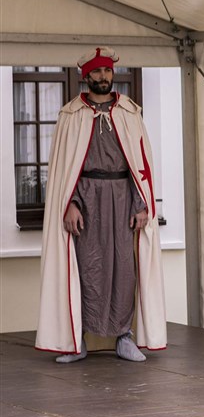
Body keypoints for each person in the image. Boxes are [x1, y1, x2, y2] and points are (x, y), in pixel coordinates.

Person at [35, 46, 167, 363]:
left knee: (125, 268)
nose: (103, 76)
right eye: (97, 71)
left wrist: (142, 204)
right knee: (86, 268)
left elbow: (141, 165)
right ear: (87, 76)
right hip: (85, 199)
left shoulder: (130, 114)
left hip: (123, 196)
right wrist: (69, 204)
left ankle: (124, 337)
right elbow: (65, 169)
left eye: (107, 70)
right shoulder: (71, 116)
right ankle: (77, 340)